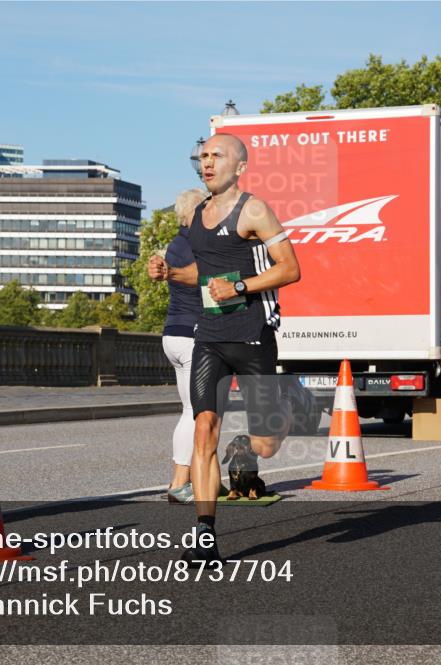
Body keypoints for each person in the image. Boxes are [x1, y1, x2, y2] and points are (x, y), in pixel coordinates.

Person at [148, 134, 301, 564]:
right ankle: (204, 534)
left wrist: (239, 286)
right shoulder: (198, 215)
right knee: (203, 429)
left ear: (240, 166)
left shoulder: (253, 209)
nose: (207, 161)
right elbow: (201, 272)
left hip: (253, 333)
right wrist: (168, 271)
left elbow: (290, 269)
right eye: (204, 156)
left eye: (217, 155)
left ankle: (288, 407)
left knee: (267, 444)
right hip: (209, 335)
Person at [161, 189, 206, 504]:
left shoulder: (174, 244)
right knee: (195, 412)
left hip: (171, 333)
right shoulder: (197, 243)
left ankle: (200, 478)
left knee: (190, 410)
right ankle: (180, 483)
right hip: (193, 334)